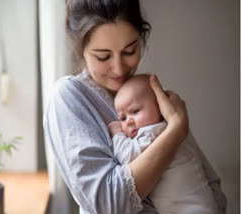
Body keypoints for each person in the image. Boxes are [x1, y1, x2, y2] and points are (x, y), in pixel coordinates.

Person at [43, 0, 226, 213]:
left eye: (130, 51)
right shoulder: (68, 97)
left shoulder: (146, 90)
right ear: (80, 48)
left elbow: (209, 181)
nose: (119, 69)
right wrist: (175, 130)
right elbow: (107, 203)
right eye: (103, 56)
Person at [108, 74, 220, 213]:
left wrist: (117, 134)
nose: (128, 121)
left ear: (160, 106)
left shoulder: (154, 132)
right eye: (123, 118)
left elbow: (127, 156)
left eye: (135, 111)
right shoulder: (170, 130)